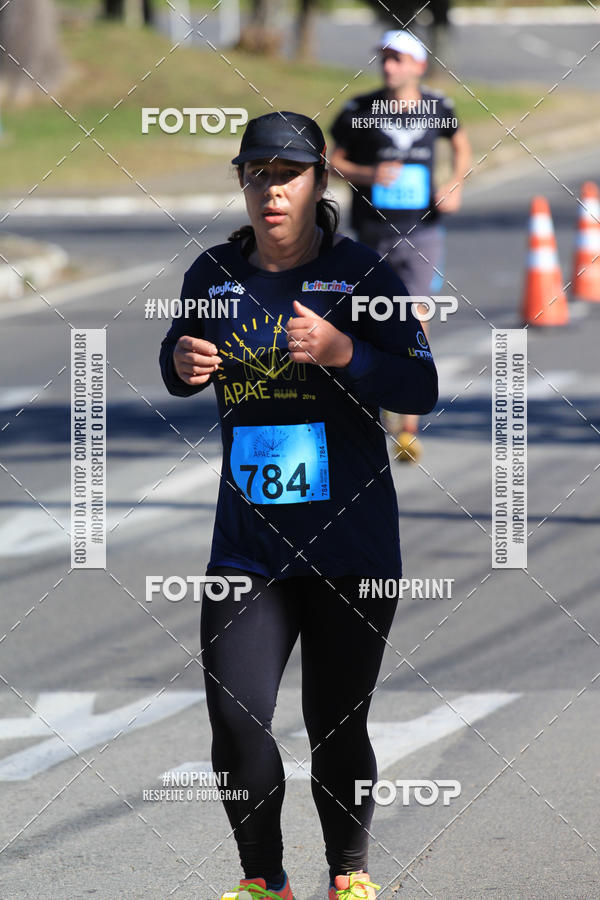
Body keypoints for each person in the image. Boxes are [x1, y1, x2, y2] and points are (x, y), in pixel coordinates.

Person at [159, 111, 438, 900]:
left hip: (351, 546)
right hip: (248, 547)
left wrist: (346, 352)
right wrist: (181, 361)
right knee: (236, 717)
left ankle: (348, 874)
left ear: (318, 182)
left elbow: (420, 385)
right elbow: (179, 356)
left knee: (335, 725)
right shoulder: (212, 275)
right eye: (256, 175)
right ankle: (263, 880)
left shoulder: (361, 276)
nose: (270, 191)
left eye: (286, 175)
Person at [330, 28, 471, 462]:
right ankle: (372, 402)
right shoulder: (360, 109)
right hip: (373, 230)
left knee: (416, 312)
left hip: (423, 227)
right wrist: (369, 176)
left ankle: (407, 420)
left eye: (398, 59)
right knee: (371, 316)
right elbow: (331, 159)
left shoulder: (438, 107)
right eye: (385, 59)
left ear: (418, 65)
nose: (389, 66)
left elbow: (461, 147)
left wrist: (454, 181)